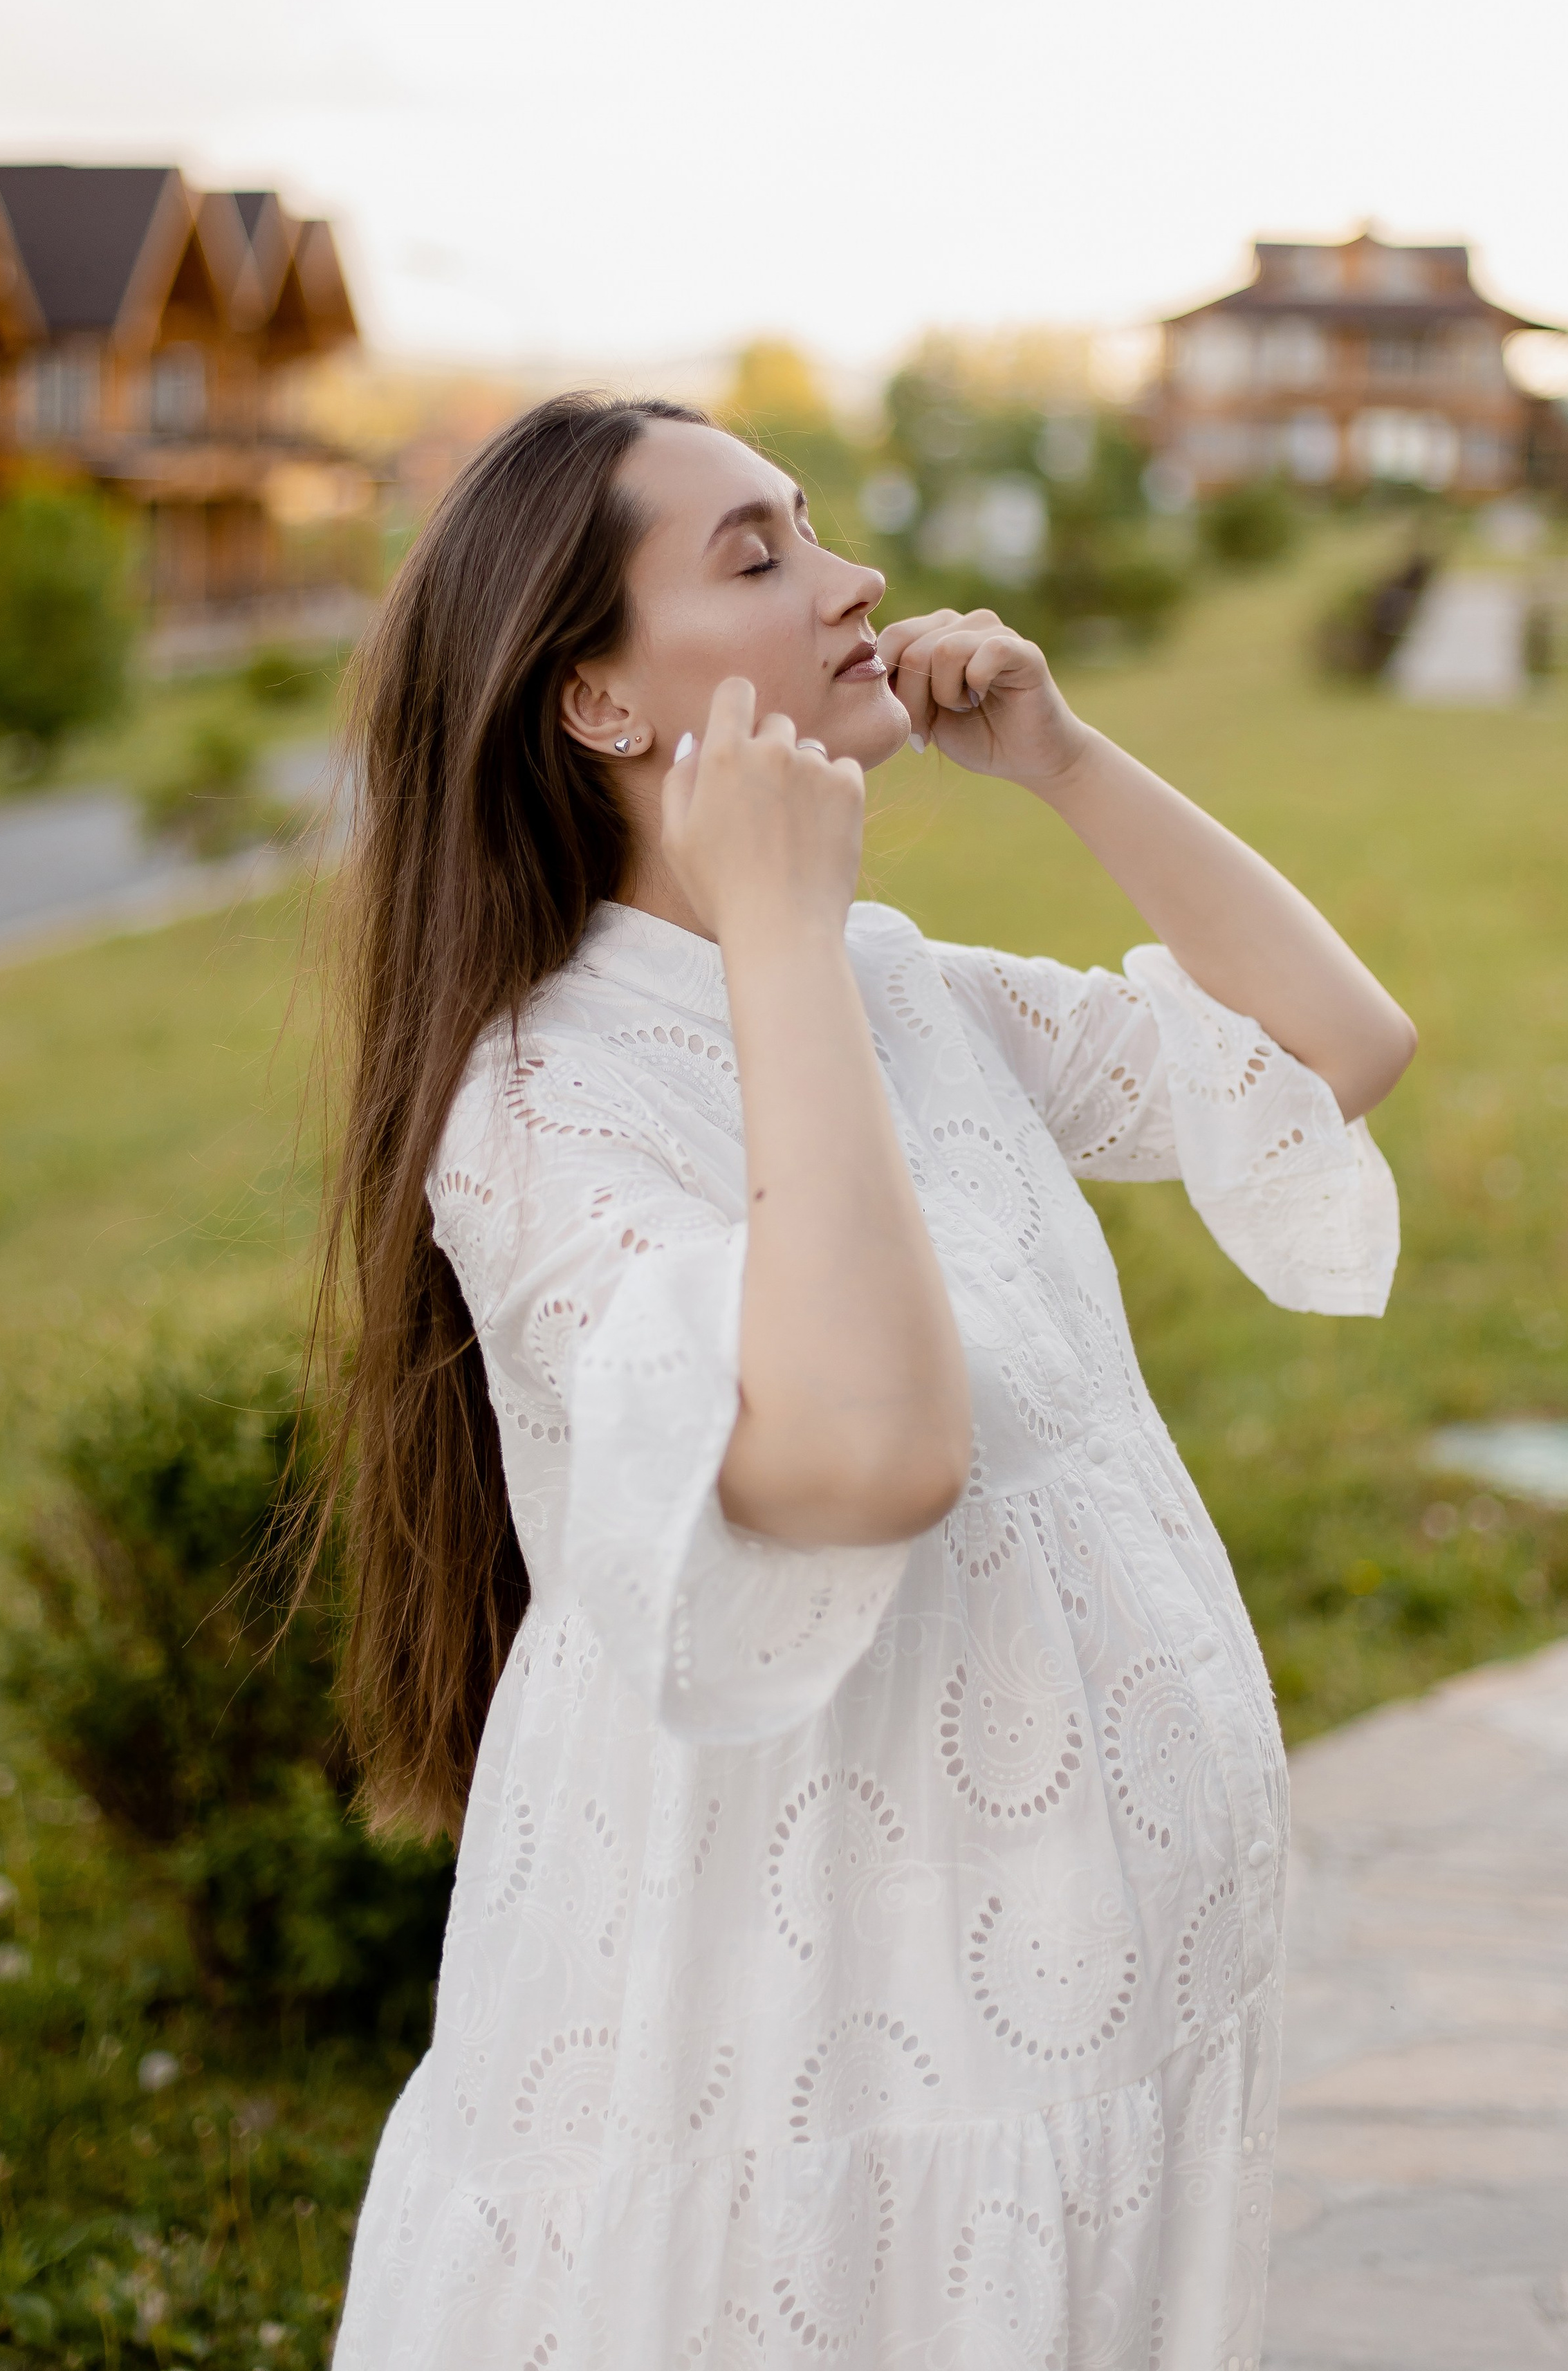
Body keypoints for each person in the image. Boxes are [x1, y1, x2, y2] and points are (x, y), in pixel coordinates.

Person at [322, 393, 1414, 2370]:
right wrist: (775, 933)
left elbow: (1338, 1045)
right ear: (595, 703)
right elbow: (866, 1456)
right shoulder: (545, 1100)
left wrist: (1064, 763)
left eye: (814, 527)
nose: (858, 584)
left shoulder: (891, 983)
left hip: (1087, 2024)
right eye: (758, 556)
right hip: (833, 2039)